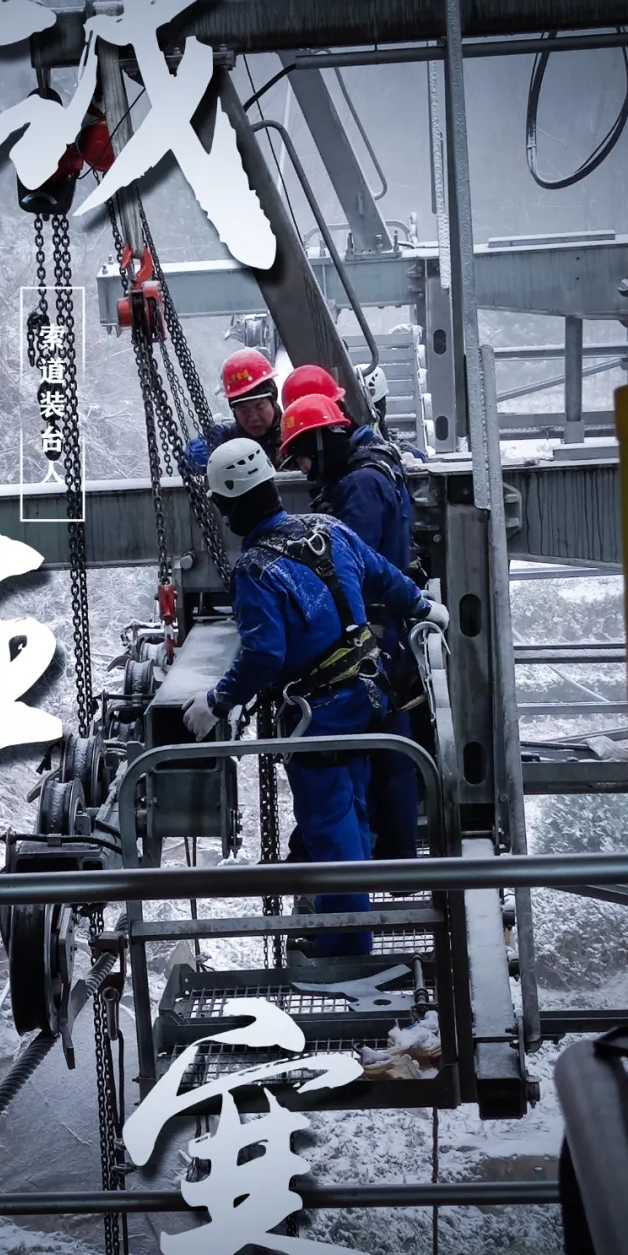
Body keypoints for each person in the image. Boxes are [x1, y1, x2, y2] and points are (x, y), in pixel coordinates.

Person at [181, 439, 447, 959]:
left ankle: (347, 944)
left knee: (331, 826)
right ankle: (348, 920)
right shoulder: (327, 531)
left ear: (228, 505)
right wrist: (423, 607)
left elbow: (264, 654)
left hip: (322, 714)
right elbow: (385, 576)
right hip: (372, 694)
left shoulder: (256, 570)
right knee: (356, 809)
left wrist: (216, 701)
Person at [277, 389, 422, 859]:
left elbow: (350, 564)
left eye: (301, 457)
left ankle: (381, 853)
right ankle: (390, 850)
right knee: (388, 742)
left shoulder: (358, 485)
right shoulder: (376, 467)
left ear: (322, 442)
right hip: (387, 626)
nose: (302, 469)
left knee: (374, 745)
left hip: (374, 631)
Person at [183, 348, 282, 472]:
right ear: (234, 411)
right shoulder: (226, 437)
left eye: (259, 406)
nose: (253, 417)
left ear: (273, 402)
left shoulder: (293, 436)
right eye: (243, 410)